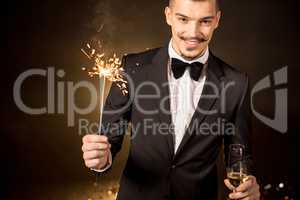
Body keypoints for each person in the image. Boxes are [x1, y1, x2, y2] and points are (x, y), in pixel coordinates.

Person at [81, 0, 260, 199]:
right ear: (168, 15)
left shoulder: (237, 83)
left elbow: (240, 154)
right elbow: (109, 140)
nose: (193, 32)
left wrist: (248, 182)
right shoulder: (131, 68)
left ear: (217, 20)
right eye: (183, 19)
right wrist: (101, 159)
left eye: (205, 21)